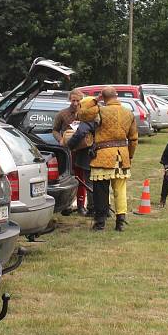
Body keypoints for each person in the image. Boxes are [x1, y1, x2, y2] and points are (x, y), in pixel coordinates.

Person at [77, 86, 138, 231]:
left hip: (102, 156)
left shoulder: (99, 111)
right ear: (116, 95)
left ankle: (100, 223)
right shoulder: (128, 113)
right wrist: (129, 155)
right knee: (120, 190)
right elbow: (134, 139)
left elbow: (83, 113)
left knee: (101, 191)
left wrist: (94, 100)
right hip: (121, 156)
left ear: (103, 97)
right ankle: (120, 223)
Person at [64, 118, 96, 216]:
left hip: (89, 155)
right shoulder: (103, 115)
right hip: (105, 154)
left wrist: (69, 144)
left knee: (90, 183)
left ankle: (92, 209)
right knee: (102, 183)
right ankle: (104, 209)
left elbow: (80, 133)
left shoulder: (88, 119)